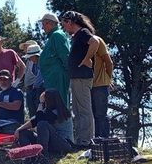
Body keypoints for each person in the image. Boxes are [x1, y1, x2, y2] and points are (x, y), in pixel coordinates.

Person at [61, 11, 98, 147]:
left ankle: (87, 141)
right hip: (76, 77)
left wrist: (87, 58)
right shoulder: (76, 36)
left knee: (84, 110)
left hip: (82, 77)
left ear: (70, 22)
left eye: (64, 24)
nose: (64, 27)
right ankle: (80, 140)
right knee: (77, 110)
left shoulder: (83, 32)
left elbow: (94, 42)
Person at [14, 88, 73, 155]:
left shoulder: (59, 112)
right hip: (51, 143)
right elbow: (34, 121)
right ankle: (28, 154)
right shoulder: (47, 111)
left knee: (42, 124)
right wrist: (19, 129)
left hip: (63, 144)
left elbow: (39, 120)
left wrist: (41, 103)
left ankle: (42, 154)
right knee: (23, 132)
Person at [38, 13, 71, 109]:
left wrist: (66, 75)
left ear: (50, 23)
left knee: (61, 105)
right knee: (54, 107)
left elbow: (65, 56)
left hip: (58, 78)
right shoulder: (53, 37)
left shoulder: (57, 35)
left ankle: (63, 124)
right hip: (52, 79)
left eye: (44, 24)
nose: (43, 27)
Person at [91, 35, 114, 138]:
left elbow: (109, 62)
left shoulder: (98, 41)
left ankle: (105, 140)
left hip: (100, 85)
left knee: (101, 114)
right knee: (92, 115)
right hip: (88, 85)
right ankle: (96, 141)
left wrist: (108, 79)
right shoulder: (81, 43)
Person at [0, 69, 24, 133]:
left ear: (10, 80)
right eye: (0, 79)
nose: (2, 81)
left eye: (5, 79)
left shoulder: (16, 91)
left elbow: (16, 106)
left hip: (13, 123)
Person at [21, 43, 45, 119]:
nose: (29, 59)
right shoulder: (37, 63)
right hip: (38, 89)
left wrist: (35, 86)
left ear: (35, 55)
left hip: (41, 89)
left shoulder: (42, 63)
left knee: (40, 111)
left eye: (30, 57)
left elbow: (41, 78)